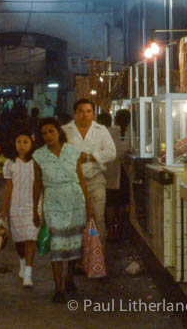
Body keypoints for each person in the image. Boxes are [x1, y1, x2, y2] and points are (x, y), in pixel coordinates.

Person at [33, 118, 92, 303]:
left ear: (58, 131)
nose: (48, 136)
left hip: (75, 201)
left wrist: (89, 206)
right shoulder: (38, 156)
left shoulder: (74, 152)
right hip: (53, 202)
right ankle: (58, 288)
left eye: (51, 131)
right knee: (57, 245)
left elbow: (81, 180)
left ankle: (70, 278)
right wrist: (36, 209)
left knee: (73, 242)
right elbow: (37, 184)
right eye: (44, 133)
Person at [62, 99, 116, 250]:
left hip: (95, 180)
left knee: (97, 219)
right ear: (75, 113)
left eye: (88, 111)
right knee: (75, 221)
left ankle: (98, 257)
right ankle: (78, 259)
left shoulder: (101, 130)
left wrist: (89, 157)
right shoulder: (65, 130)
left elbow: (111, 152)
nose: (85, 115)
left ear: (93, 114)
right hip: (71, 182)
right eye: (81, 111)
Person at [0, 130, 40, 288]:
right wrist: (4, 209)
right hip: (16, 205)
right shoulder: (10, 163)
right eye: (18, 142)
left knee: (31, 237)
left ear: (31, 143)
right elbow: (8, 187)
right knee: (18, 239)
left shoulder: (36, 161)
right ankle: (22, 262)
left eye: (25, 142)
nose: (21, 145)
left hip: (33, 204)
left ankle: (28, 273)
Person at [106, 109, 131, 241]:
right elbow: (127, 149)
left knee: (111, 203)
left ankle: (110, 229)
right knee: (122, 202)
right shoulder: (129, 133)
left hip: (110, 171)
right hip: (123, 172)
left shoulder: (109, 131)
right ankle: (120, 228)